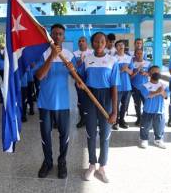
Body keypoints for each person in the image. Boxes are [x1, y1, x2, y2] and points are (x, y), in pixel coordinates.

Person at [34, 23, 77, 179]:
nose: (57, 36)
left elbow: (76, 79)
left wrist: (72, 70)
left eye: (60, 34)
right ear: (50, 36)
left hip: (63, 103)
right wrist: (52, 56)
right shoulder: (43, 54)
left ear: (64, 37)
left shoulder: (69, 55)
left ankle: (62, 161)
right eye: (54, 33)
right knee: (45, 135)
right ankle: (47, 162)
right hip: (45, 102)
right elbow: (39, 76)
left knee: (64, 135)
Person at [79, 32, 119, 183]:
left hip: (106, 98)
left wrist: (115, 111)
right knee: (90, 133)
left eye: (102, 41)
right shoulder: (87, 59)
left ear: (106, 42)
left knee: (105, 134)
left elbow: (114, 87)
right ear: (92, 43)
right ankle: (91, 164)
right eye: (96, 41)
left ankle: (102, 166)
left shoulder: (112, 61)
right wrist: (79, 83)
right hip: (90, 97)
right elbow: (81, 78)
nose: (99, 44)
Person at [138, 65, 170, 149]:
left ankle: (158, 140)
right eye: (154, 71)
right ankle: (144, 139)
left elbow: (166, 96)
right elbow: (147, 96)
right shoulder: (144, 85)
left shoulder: (164, 85)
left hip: (160, 111)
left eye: (158, 71)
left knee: (159, 127)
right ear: (149, 73)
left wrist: (159, 92)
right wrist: (158, 92)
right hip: (148, 110)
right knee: (145, 126)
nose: (156, 73)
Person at [112, 40, 134, 130]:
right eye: (119, 45)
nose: (121, 46)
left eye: (122, 45)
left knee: (125, 105)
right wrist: (121, 70)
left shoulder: (129, 58)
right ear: (116, 47)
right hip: (117, 86)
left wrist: (126, 69)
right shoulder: (112, 58)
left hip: (127, 86)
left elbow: (131, 72)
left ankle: (122, 120)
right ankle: (116, 122)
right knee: (116, 105)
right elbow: (111, 73)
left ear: (124, 47)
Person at [73, 36, 93, 128]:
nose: (81, 42)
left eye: (83, 41)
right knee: (80, 100)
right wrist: (80, 62)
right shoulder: (74, 54)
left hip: (90, 79)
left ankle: (91, 118)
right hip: (79, 79)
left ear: (86, 43)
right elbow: (73, 68)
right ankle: (82, 119)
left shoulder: (91, 53)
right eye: (79, 41)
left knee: (91, 99)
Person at [130, 49, 151, 126]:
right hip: (135, 87)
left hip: (145, 88)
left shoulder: (148, 63)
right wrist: (137, 71)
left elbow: (152, 74)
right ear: (135, 54)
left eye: (141, 53)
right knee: (137, 104)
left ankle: (146, 118)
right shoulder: (132, 63)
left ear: (143, 54)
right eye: (137, 53)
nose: (139, 55)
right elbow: (130, 76)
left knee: (146, 103)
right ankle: (139, 118)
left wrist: (146, 73)